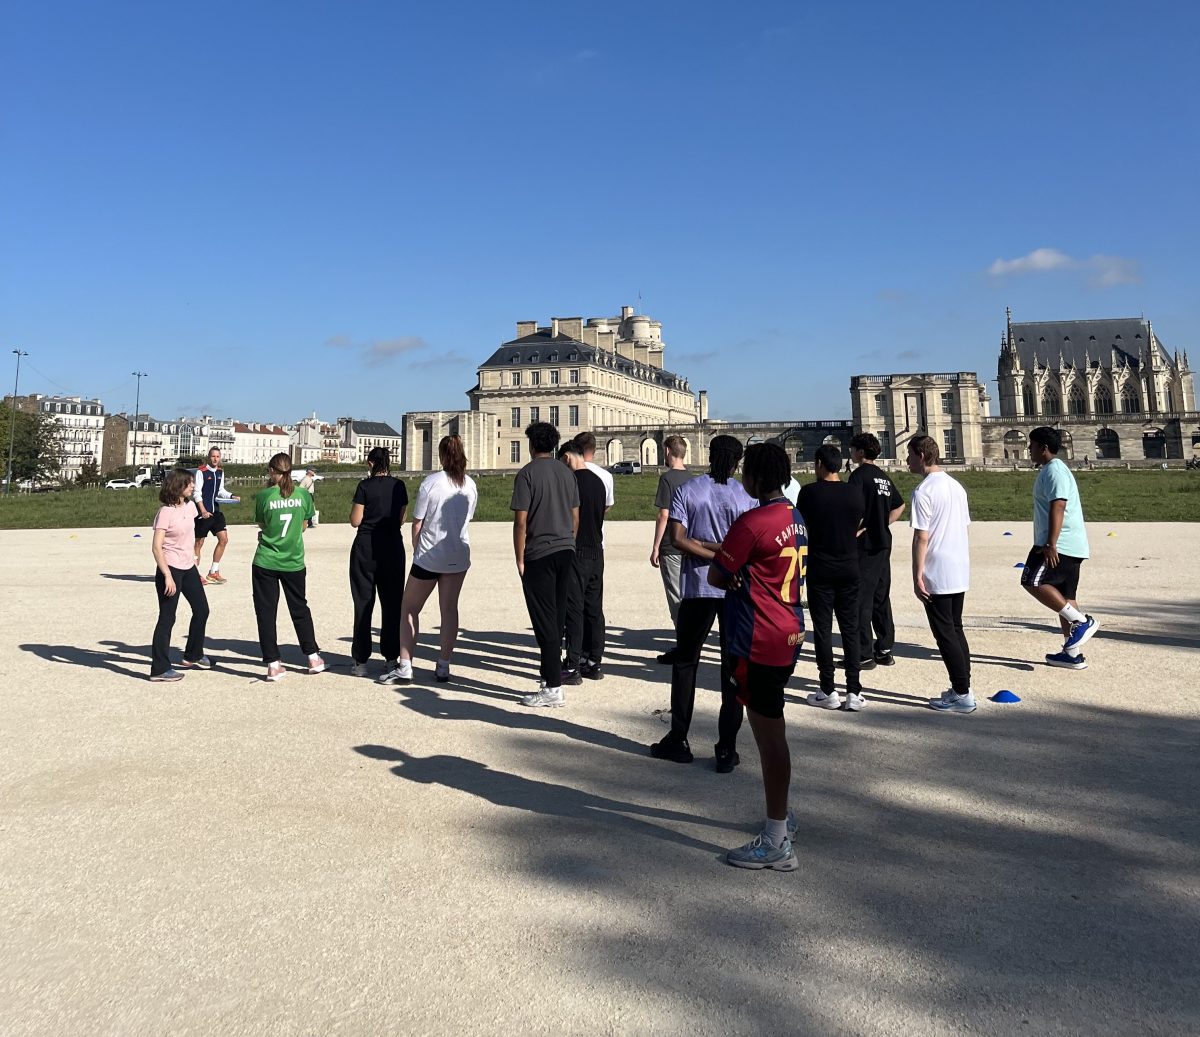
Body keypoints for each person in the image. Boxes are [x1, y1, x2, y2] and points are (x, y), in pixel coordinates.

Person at [709, 443, 807, 871]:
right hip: (788, 628)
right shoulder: (795, 517)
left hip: (757, 636)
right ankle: (780, 816)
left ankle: (777, 836)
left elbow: (717, 574)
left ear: (753, 479)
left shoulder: (753, 521)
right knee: (773, 733)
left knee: (769, 738)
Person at [650, 434, 754, 771]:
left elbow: (678, 539)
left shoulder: (689, 490)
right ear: (737, 462)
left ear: (709, 455)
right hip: (734, 587)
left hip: (698, 585)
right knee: (731, 667)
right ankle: (726, 747)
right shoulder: (744, 495)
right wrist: (726, 553)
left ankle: (678, 737)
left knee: (686, 662)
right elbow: (748, 545)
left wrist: (708, 547)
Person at [393, 435, 478, 684]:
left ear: (441, 456)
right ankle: (443, 665)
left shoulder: (431, 483)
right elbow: (467, 518)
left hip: (430, 555)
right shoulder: (470, 484)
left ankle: (406, 664)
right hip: (458, 553)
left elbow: (418, 521)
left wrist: (417, 548)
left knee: (409, 608)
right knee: (449, 610)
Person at [512, 422, 579, 707]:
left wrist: (519, 556)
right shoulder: (566, 472)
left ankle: (553, 687)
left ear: (531, 445)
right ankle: (549, 677)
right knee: (558, 615)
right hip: (566, 549)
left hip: (539, 552)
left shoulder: (526, 474)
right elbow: (575, 514)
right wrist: (569, 541)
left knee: (545, 622)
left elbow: (521, 521)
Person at [907, 436, 974, 712]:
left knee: (945, 634)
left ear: (921, 455)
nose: (907, 459)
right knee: (955, 629)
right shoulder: (956, 486)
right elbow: (964, 525)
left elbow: (921, 537)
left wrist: (917, 575)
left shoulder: (923, 491)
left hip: (937, 568)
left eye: (910, 454)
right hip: (958, 565)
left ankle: (961, 693)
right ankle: (963, 687)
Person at [1022, 426, 1098, 668]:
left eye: (1031, 445)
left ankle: (1081, 622)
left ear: (1044, 448)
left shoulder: (1054, 471)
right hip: (1070, 543)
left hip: (1058, 543)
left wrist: (1051, 544)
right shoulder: (1052, 469)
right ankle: (1072, 653)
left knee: (1031, 581)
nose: (1029, 449)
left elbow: (1059, 506)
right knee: (1066, 596)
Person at [799, 445, 866, 710]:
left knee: (823, 630)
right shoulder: (854, 493)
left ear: (819, 464)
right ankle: (854, 691)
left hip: (820, 568)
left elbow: (801, 525)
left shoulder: (809, 493)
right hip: (850, 567)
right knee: (850, 629)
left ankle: (828, 688)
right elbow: (860, 523)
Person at [252, 452, 323, 681]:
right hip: (293, 561)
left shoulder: (264, 496)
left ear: (273, 471)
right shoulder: (303, 495)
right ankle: (312, 656)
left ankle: (273, 664)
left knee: (266, 612)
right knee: (299, 608)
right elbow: (303, 526)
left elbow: (263, 524)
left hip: (266, 560)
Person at [348, 447, 408, 680]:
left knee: (363, 602)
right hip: (392, 545)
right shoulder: (399, 486)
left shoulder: (364, 486)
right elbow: (402, 518)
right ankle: (391, 658)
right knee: (392, 604)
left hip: (366, 546)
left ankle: (361, 660)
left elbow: (356, 520)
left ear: (371, 463)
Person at [848, 433, 905, 668]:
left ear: (861, 452)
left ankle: (863, 654)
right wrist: (882, 523)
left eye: (852, 449)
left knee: (862, 597)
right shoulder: (883, 477)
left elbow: (853, 508)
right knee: (881, 596)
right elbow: (900, 505)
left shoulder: (859, 476)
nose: (850, 453)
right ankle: (884, 648)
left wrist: (859, 529)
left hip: (867, 546)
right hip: (884, 542)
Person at [149, 468, 211, 681]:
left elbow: (193, 534)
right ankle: (159, 669)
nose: (193, 486)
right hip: (171, 569)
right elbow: (157, 547)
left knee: (202, 610)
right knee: (167, 618)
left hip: (188, 568)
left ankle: (193, 654)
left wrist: (195, 557)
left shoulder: (191, 507)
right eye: (189, 483)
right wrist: (166, 574)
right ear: (178, 486)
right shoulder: (165, 512)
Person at [559, 440, 606, 683]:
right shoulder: (599, 481)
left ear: (567, 457)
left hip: (577, 550)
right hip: (597, 549)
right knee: (594, 608)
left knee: (573, 609)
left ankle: (573, 663)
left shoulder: (571, 482)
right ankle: (594, 661)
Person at [649, 434, 694, 662]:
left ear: (667, 451)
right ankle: (690, 639)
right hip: (691, 543)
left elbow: (663, 515)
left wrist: (656, 546)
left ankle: (684, 644)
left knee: (676, 596)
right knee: (688, 594)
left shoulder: (667, 479)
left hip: (671, 544)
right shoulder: (693, 478)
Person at [193, 447, 239, 585]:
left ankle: (213, 571)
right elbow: (196, 493)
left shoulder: (220, 472)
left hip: (216, 512)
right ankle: (194, 575)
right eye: (213, 456)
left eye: (218, 456)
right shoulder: (201, 471)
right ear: (209, 457)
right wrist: (202, 511)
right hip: (203, 513)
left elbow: (220, 490)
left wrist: (231, 496)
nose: (215, 459)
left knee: (223, 539)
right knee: (198, 543)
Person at [573, 431, 615, 516]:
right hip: (596, 526)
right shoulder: (606, 475)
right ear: (594, 450)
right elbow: (607, 505)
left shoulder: (570, 473)